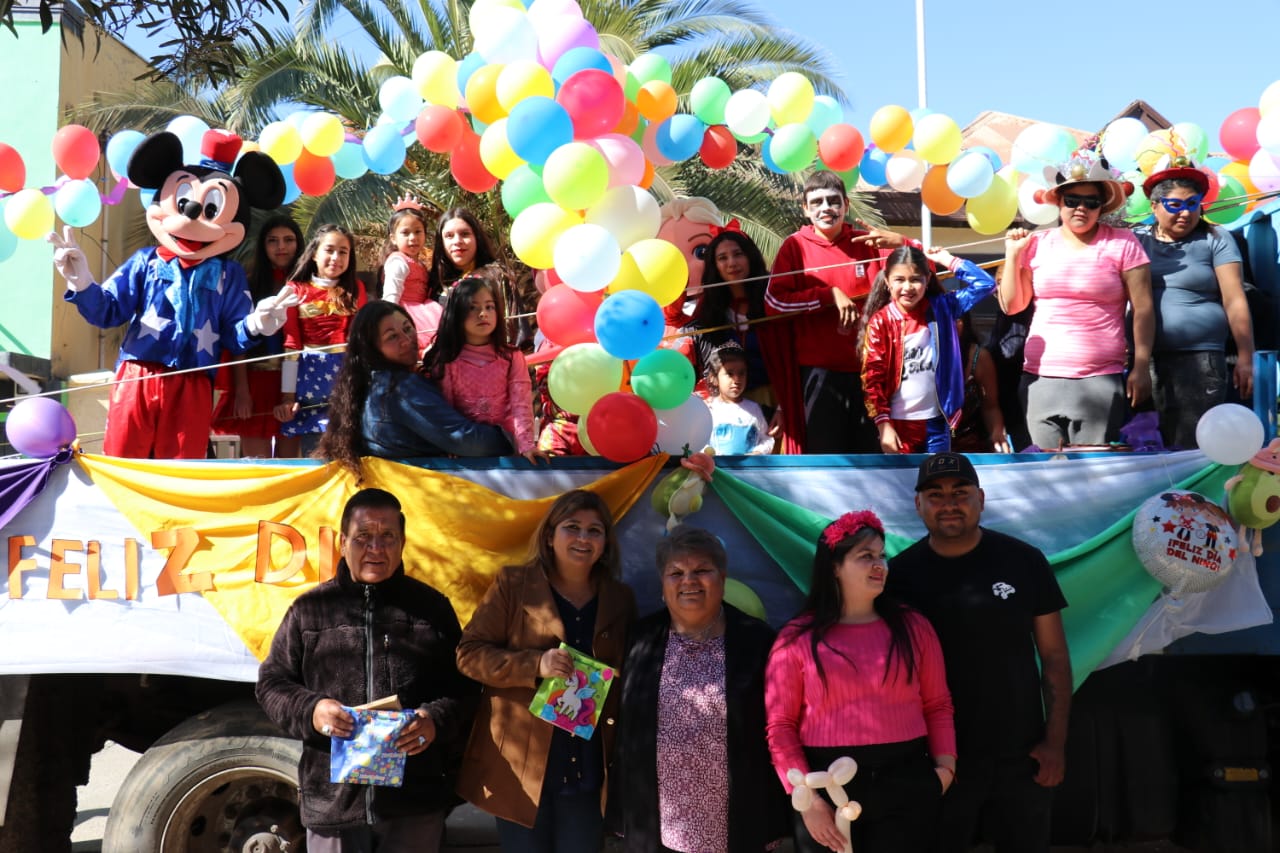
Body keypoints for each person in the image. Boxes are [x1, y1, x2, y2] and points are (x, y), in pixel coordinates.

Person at [255, 487, 477, 852]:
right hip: (334, 804)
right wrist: (313, 711)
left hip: (414, 803)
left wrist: (435, 719)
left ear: (403, 542)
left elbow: (465, 688)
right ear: (343, 543)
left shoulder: (433, 609)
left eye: (388, 536)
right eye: (363, 537)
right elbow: (271, 684)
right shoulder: (311, 610)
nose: (376, 548)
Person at [887, 452, 1071, 853]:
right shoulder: (897, 577)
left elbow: (1054, 657)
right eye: (935, 494)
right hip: (938, 758)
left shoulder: (1024, 561)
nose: (949, 503)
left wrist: (1055, 743)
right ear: (918, 505)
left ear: (981, 499)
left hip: (1022, 755)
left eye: (960, 492)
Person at [456, 489, 637, 853]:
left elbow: (628, 674)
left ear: (606, 542)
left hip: (587, 769)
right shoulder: (513, 584)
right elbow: (468, 654)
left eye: (595, 530)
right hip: (521, 770)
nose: (584, 539)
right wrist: (534, 665)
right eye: (572, 527)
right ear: (550, 535)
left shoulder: (620, 598)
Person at [765, 509, 955, 853]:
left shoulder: (915, 628)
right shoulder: (795, 639)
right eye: (865, 556)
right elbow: (780, 726)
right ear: (834, 568)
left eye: (881, 555)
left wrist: (944, 772)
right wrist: (808, 801)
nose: (878, 564)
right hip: (823, 786)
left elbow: (938, 705)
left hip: (907, 781)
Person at [614, 526, 789, 852]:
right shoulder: (639, 639)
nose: (689, 580)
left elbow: (779, 729)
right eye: (676, 572)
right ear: (663, 585)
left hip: (738, 820)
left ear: (722, 578)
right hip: (658, 823)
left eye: (702, 570)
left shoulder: (757, 641)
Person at [1000, 149, 1154, 449]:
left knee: (1093, 476)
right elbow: (1012, 306)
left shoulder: (1123, 243)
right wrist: (1012, 255)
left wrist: (1141, 365)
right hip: (1040, 377)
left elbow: (1144, 308)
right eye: (1072, 201)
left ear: (1102, 207)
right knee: (1046, 474)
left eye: (1091, 202)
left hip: (1099, 379)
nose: (1081, 208)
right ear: (1059, 203)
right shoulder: (1036, 245)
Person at [763, 170, 913, 454]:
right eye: (817, 202)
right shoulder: (794, 246)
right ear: (805, 209)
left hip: (872, 375)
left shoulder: (868, 243)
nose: (826, 208)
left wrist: (901, 243)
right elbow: (774, 303)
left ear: (845, 204)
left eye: (833, 201)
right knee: (828, 458)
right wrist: (828, 295)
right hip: (820, 376)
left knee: (873, 458)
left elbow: (923, 277)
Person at [317, 301, 514, 478]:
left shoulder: (368, 384)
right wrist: (511, 437)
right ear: (372, 349)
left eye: (407, 328)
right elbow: (464, 439)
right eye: (392, 337)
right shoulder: (401, 388)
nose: (406, 340)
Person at [1134, 160, 1254, 448]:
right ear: (1154, 206)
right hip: (1145, 361)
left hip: (1202, 361)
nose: (1185, 212)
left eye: (1192, 203)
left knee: (1194, 446)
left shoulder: (1216, 238)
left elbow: (1235, 298)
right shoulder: (1136, 242)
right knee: (1149, 447)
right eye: (1174, 205)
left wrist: (1245, 357)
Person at [859, 246, 998, 454]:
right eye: (899, 280)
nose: (908, 287)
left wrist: (948, 260)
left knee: (937, 482)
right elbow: (872, 378)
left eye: (916, 279)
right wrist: (884, 425)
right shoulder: (881, 321)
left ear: (928, 279)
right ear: (887, 281)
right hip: (899, 424)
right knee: (903, 484)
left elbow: (985, 284)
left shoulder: (943, 308)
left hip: (937, 421)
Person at [421, 273, 543, 462]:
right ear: (456, 313)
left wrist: (526, 445)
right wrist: (449, 444)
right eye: (472, 307)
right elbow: (447, 409)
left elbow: (521, 404)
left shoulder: (512, 356)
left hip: (503, 441)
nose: (483, 313)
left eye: (489, 307)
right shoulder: (446, 359)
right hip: (463, 444)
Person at [211, 214, 304, 458]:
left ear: (299, 244)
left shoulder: (308, 286)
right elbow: (237, 341)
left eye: (288, 240)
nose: (281, 247)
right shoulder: (249, 284)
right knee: (257, 466)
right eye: (272, 241)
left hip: (297, 386)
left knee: (290, 469)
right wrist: (242, 391)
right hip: (256, 382)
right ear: (263, 246)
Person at [275, 224, 367, 450]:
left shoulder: (356, 289)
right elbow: (292, 346)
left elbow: (359, 343)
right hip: (309, 382)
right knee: (315, 448)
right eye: (329, 250)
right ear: (315, 253)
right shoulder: (295, 290)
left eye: (343, 252)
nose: (336, 257)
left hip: (345, 378)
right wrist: (288, 397)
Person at [693, 229, 773, 405]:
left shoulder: (773, 297)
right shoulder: (707, 308)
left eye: (738, 254)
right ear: (714, 266)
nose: (732, 263)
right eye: (722, 258)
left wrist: (783, 408)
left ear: (750, 257)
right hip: (727, 405)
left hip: (776, 399)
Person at [380, 195, 442, 353]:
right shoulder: (398, 262)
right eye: (405, 233)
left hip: (425, 310)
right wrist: (389, 321)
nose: (413, 238)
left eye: (417, 232)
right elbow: (391, 294)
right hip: (408, 314)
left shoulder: (418, 263)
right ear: (393, 238)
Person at [949, 312, 1011, 454]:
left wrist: (997, 433)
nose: (956, 324)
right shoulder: (920, 353)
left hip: (970, 447)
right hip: (924, 443)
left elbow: (990, 406)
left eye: (957, 320)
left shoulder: (978, 357)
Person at [705, 345, 774, 455]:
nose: (736, 379)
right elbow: (699, 441)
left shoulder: (754, 409)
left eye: (741, 373)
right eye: (729, 373)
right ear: (714, 378)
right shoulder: (709, 409)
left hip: (748, 470)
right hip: (716, 468)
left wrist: (757, 452)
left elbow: (766, 439)